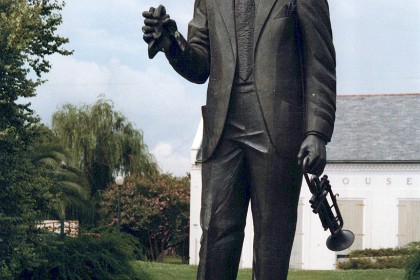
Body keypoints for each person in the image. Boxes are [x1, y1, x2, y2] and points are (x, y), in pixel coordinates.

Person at [142, 0, 336, 278]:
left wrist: (317, 131)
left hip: (278, 130)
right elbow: (199, 66)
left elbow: (320, 62)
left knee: (273, 241)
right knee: (215, 235)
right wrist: (170, 40)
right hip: (223, 130)